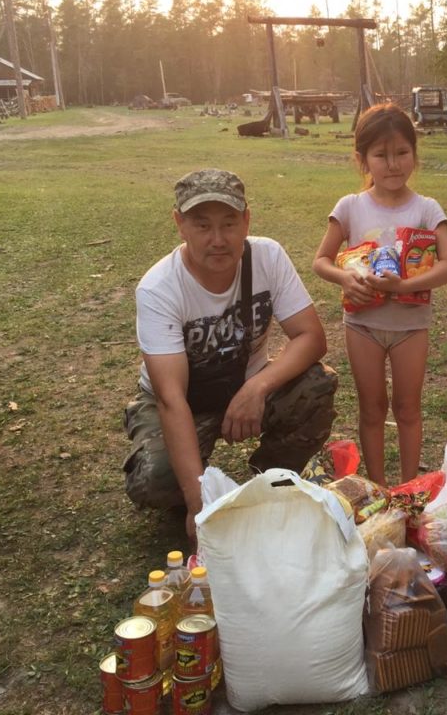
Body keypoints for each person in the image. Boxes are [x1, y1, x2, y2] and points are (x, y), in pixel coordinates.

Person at [123, 168, 338, 541]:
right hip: (182, 403)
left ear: (247, 220)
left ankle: (267, 482)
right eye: (202, 225)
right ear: (179, 224)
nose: (218, 239)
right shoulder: (159, 288)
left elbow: (311, 338)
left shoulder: (267, 257)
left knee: (317, 384)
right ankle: (196, 482)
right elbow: (171, 399)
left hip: (247, 384)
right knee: (154, 482)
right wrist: (197, 504)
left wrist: (257, 388)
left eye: (229, 223)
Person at [312, 104, 447, 486]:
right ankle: (379, 487)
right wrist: (345, 280)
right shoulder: (350, 206)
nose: (393, 164)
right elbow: (321, 261)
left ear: (415, 153)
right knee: (372, 408)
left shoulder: (427, 209)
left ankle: (409, 488)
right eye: (381, 155)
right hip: (363, 325)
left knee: (409, 408)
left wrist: (404, 287)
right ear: (362, 160)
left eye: (402, 153)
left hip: (412, 326)